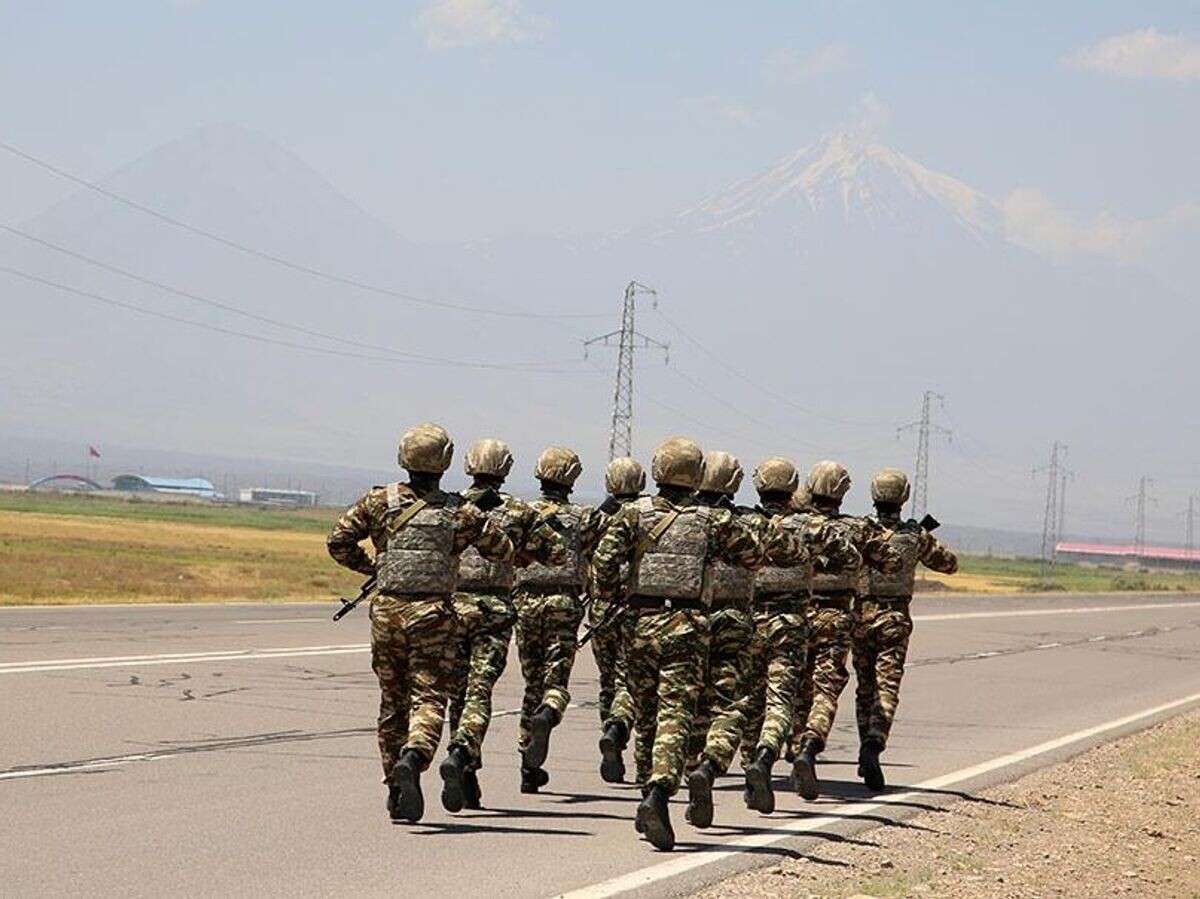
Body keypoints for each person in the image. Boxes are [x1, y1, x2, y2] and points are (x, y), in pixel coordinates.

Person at [591, 437, 776, 851]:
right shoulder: (712, 520)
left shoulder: (631, 515)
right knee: (675, 714)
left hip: (639, 624)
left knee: (646, 712)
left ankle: (645, 798)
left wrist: (616, 593)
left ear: (657, 469)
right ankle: (658, 793)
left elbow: (602, 565)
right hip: (689, 626)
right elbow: (752, 556)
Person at [326, 423, 513, 823]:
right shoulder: (457, 511)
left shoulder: (379, 502)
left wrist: (375, 566)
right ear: (445, 462)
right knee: (428, 697)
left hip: (387, 613)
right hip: (433, 614)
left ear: (403, 458)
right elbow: (501, 548)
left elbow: (338, 542)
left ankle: (395, 785)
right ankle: (416, 755)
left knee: (392, 701)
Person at [440, 438, 566, 812]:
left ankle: (465, 770)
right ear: (506, 469)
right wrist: (522, 555)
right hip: (494, 608)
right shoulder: (518, 511)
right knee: (479, 691)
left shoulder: (448, 506)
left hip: (452, 607)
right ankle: (463, 753)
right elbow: (556, 552)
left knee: (457, 693)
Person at [738, 457, 860, 815]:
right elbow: (850, 559)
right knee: (815, 689)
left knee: (752, 695)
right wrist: (816, 564)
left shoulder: (744, 522)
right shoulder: (817, 528)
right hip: (812, 618)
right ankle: (806, 746)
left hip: (753, 619)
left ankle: (752, 768)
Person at [792, 460, 900, 801]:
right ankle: (810, 746)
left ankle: (788, 749)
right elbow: (891, 560)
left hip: (798, 615)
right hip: (837, 617)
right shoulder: (858, 529)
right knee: (826, 688)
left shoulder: (793, 525)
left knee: (796, 685)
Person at [852, 468, 958, 791]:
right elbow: (949, 564)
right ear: (903, 497)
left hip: (860, 618)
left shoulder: (859, 532)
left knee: (865, 687)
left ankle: (864, 749)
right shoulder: (915, 536)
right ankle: (873, 745)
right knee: (887, 689)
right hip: (894, 619)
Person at [513, 445, 605, 793]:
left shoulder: (521, 513)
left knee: (531, 681)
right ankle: (548, 714)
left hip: (524, 601)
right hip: (564, 603)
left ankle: (527, 766)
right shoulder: (585, 518)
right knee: (555, 682)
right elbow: (606, 553)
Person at [684, 451, 759, 829]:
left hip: (690, 621)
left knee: (690, 702)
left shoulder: (684, 520)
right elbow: (765, 554)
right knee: (731, 704)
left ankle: (689, 769)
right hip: (733, 621)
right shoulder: (734, 523)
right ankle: (711, 765)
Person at [593, 456, 645, 784]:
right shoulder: (644, 516)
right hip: (632, 605)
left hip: (602, 606)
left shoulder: (596, 516)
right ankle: (618, 727)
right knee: (629, 679)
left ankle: (611, 737)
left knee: (608, 679)